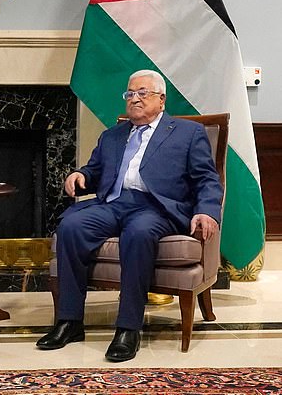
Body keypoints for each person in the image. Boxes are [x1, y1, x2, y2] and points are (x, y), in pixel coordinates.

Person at [36, 70, 223, 362]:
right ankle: (69, 321)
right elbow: (95, 171)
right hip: (114, 203)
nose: (134, 99)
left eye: (142, 93)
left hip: (156, 207)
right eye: (130, 94)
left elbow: (207, 180)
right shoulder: (112, 135)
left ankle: (128, 328)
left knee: (138, 233)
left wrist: (207, 211)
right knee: (71, 224)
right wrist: (80, 174)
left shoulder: (188, 133)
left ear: (161, 100)